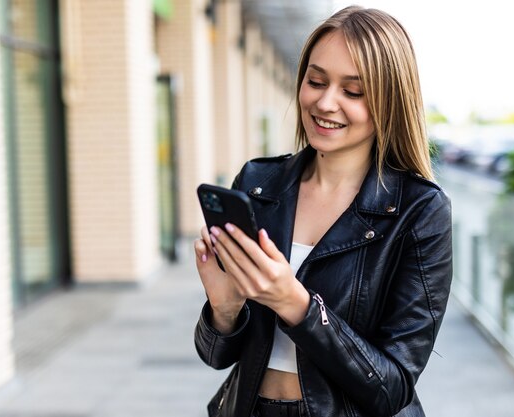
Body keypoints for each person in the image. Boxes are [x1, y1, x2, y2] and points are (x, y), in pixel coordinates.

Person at [193, 5, 452, 417]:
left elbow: (393, 387)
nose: (325, 102)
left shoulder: (419, 210)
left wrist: (295, 303)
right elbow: (217, 356)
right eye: (316, 81)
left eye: (353, 91)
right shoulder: (259, 184)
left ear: (390, 101)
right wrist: (226, 310)